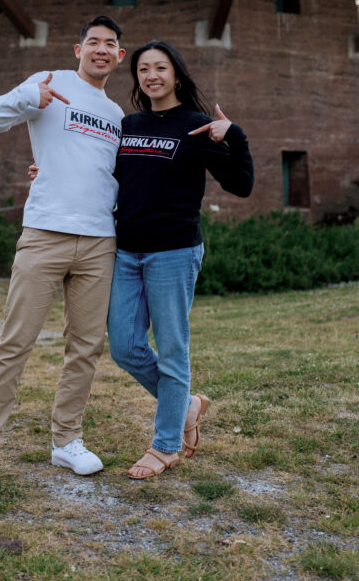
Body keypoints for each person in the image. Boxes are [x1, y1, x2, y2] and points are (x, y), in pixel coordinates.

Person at [0, 15, 126, 493]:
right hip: (45, 234)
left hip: (100, 240)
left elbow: (109, 173)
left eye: (109, 44)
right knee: (15, 343)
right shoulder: (46, 83)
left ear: (118, 56)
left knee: (86, 347)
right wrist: (29, 98)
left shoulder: (115, 115)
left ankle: (66, 441)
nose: (100, 49)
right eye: (92, 41)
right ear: (78, 50)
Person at [107, 40, 254, 479]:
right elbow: (105, 176)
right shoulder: (128, 124)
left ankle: (166, 445)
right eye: (143, 69)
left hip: (173, 251)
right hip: (126, 251)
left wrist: (236, 135)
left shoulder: (195, 126)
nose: (152, 76)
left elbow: (241, 185)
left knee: (172, 350)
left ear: (176, 74)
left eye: (160, 68)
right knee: (124, 346)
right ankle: (187, 404)